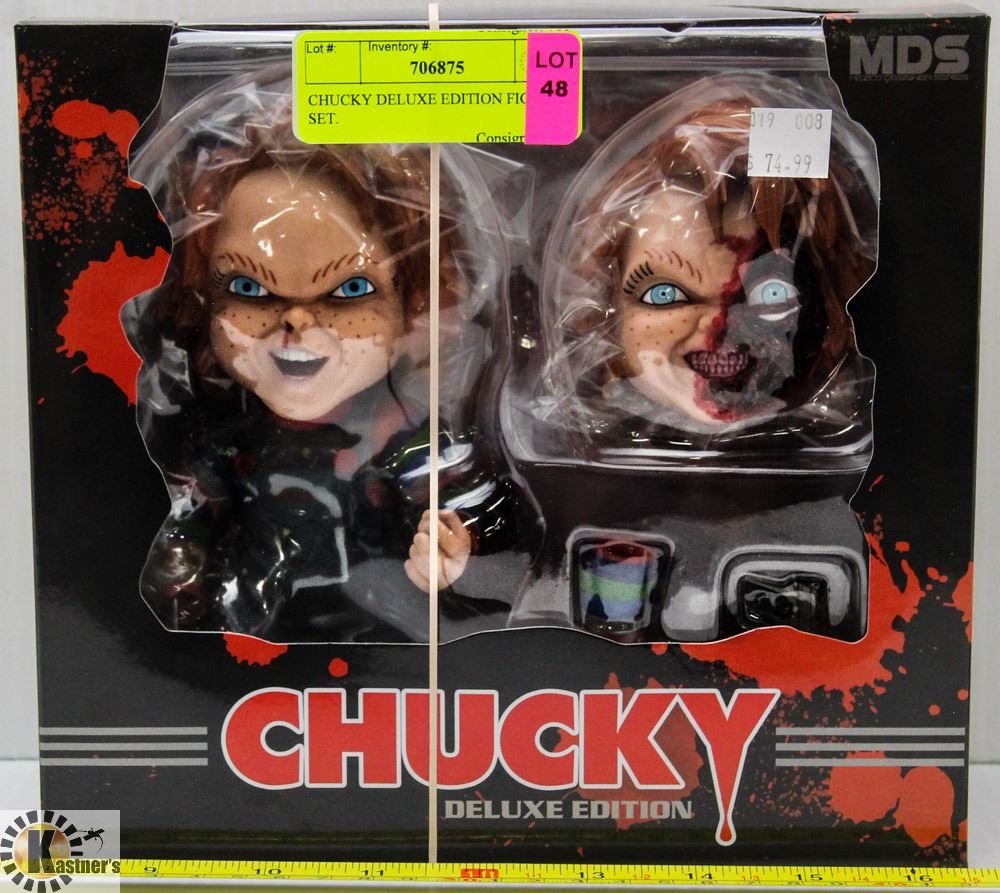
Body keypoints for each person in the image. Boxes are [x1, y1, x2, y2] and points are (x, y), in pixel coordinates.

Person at [128, 109, 515, 642]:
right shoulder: (221, 436)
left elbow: (475, 507)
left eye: (349, 290)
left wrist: (457, 547)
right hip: (242, 640)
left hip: (384, 638)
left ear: (415, 305)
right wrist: (179, 564)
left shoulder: (405, 437)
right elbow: (182, 514)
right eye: (249, 289)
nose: (296, 322)